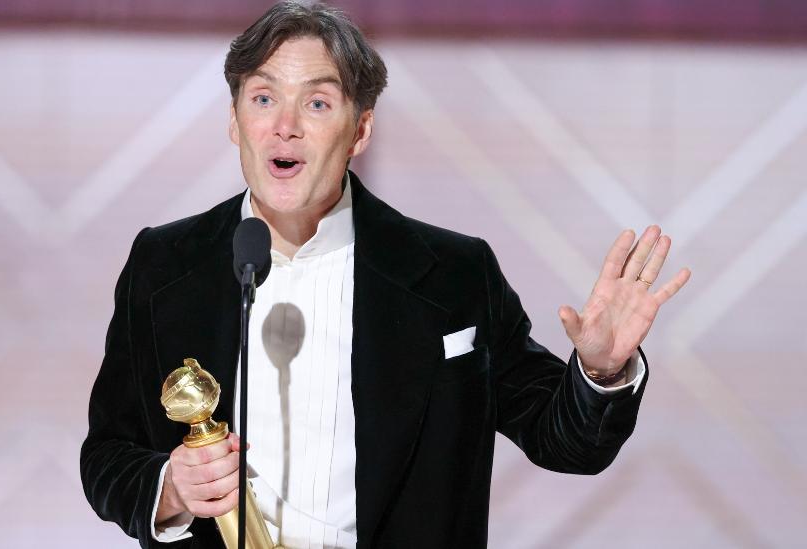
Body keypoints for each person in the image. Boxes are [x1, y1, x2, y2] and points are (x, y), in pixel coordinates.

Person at [80, 2, 691, 548]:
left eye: (316, 103)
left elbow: (567, 444)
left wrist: (602, 371)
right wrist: (169, 489)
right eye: (263, 98)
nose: (283, 125)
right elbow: (107, 455)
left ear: (361, 130)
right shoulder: (164, 264)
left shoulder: (453, 276)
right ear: (236, 121)